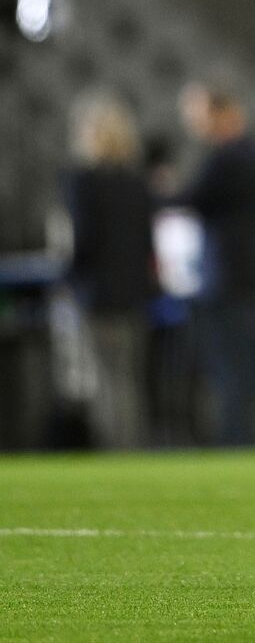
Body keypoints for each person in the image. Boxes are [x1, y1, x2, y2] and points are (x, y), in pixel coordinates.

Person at [179, 80, 255, 445]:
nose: (195, 124)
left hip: (227, 275)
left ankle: (235, 438)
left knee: (230, 364)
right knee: (238, 361)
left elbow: (195, 198)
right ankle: (239, 434)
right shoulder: (251, 154)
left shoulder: (230, 157)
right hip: (242, 273)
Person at [65, 91, 156, 449]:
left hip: (99, 294)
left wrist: (69, 277)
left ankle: (116, 450)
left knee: (106, 379)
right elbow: (147, 241)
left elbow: (84, 239)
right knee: (129, 379)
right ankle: (132, 446)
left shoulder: (83, 182)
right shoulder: (137, 183)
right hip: (134, 293)